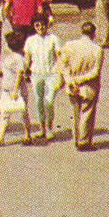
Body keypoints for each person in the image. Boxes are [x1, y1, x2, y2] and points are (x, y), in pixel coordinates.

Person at [57, 21, 103, 150]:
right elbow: (95, 72)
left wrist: (70, 80)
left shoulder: (69, 45)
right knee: (87, 113)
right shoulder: (97, 49)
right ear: (93, 34)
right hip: (89, 86)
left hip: (72, 85)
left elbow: (63, 65)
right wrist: (79, 80)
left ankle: (76, 139)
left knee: (75, 112)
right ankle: (84, 141)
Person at [25, 15, 62, 143]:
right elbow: (27, 58)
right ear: (34, 27)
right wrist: (23, 71)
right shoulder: (30, 40)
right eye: (37, 25)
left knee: (48, 102)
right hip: (36, 74)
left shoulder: (53, 38)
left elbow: (59, 57)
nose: (40, 27)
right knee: (39, 102)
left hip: (51, 74)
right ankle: (42, 129)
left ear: (47, 25)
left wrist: (61, 76)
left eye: (42, 24)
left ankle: (49, 128)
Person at [0, 31, 32, 145]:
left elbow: (19, 74)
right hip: (7, 88)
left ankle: (27, 135)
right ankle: (0, 137)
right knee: (5, 112)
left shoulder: (18, 58)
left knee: (22, 112)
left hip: (16, 89)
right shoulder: (10, 57)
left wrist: (15, 90)